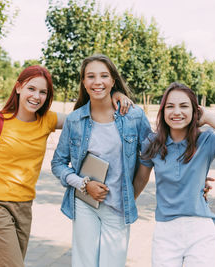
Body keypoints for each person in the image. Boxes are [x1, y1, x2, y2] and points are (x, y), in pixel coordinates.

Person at [0, 65, 132, 267]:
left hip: (24, 206)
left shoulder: (47, 120)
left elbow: (85, 116)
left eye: (43, 92)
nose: (36, 96)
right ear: (18, 88)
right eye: (31, 89)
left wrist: (113, 93)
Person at [133, 82, 215, 267]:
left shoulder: (205, 141)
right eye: (170, 106)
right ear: (163, 111)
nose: (176, 112)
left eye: (184, 106)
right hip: (165, 231)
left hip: (200, 230)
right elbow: (141, 179)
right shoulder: (152, 143)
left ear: (195, 111)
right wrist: (124, 208)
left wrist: (209, 118)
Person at [51, 54, 153, 267]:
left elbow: (152, 156)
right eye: (91, 76)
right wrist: (84, 184)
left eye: (104, 76)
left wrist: (130, 196)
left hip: (118, 206)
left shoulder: (134, 116)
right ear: (84, 82)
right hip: (84, 203)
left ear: (113, 80)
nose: (97, 82)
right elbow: (58, 163)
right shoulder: (75, 120)